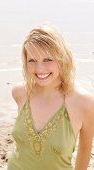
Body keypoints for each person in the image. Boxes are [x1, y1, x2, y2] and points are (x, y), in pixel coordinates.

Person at [7, 24, 94, 170]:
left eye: (47, 59)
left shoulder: (85, 103)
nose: (39, 69)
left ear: (62, 58)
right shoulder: (19, 93)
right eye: (32, 60)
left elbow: (85, 149)